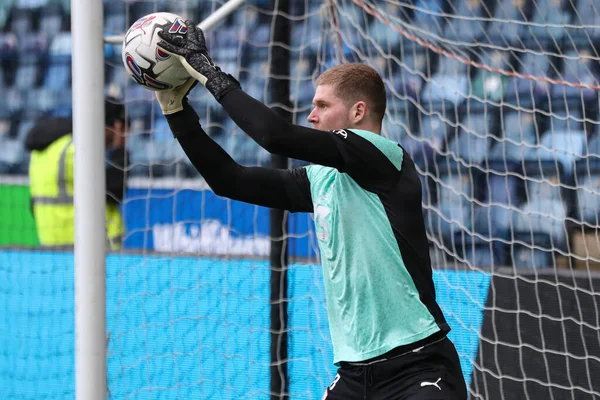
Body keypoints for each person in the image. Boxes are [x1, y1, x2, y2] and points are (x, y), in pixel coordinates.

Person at [155, 22, 468, 399]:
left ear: (358, 112)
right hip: (353, 376)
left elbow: (275, 135)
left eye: (321, 105)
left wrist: (207, 71)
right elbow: (229, 181)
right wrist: (176, 112)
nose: (311, 115)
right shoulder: (319, 179)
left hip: (418, 367)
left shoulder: (383, 156)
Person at [25, 98, 128, 250]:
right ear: (107, 126)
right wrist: (120, 150)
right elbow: (114, 190)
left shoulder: (45, 150)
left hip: (50, 247)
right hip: (90, 251)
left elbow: (33, 204)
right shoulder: (77, 150)